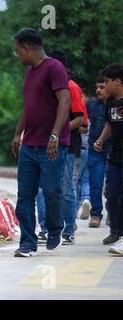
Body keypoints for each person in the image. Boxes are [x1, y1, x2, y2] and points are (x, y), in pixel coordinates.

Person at [11, 28, 71, 257]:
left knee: (51, 190)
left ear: (26, 48)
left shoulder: (54, 67)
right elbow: (29, 108)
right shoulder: (29, 72)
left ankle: (55, 227)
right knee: (24, 195)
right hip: (29, 146)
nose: (17, 55)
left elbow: (64, 100)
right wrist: (18, 134)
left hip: (51, 145)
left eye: (18, 51)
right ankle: (27, 242)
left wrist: (54, 135)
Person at [49, 50, 87, 246]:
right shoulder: (49, 87)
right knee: (47, 188)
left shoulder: (71, 87)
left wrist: (58, 131)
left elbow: (81, 119)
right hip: (48, 145)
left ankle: (69, 229)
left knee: (65, 189)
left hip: (68, 146)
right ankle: (49, 228)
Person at [94, 63, 123, 254]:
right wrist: (101, 140)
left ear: (118, 81)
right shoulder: (111, 103)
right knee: (111, 195)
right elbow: (110, 124)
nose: (104, 86)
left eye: (107, 82)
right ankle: (115, 231)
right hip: (115, 155)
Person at [86, 78, 111, 228]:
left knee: (112, 185)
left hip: (113, 150)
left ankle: (112, 214)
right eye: (97, 87)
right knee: (95, 183)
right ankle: (96, 214)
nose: (98, 90)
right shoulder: (91, 105)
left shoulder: (117, 104)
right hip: (94, 150)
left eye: (102, 87)